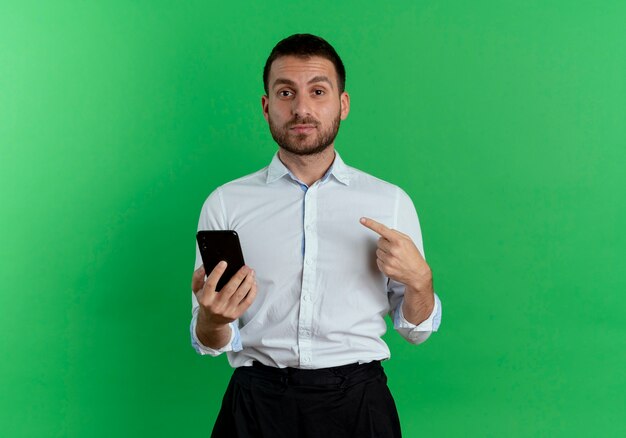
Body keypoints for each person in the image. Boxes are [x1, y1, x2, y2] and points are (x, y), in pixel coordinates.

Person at [190, 33, 442, 438]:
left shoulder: (390, 202)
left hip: (359, 406)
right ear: (266, 106)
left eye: (318, 91)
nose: (302, 108)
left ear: (342, 105)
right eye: (286, 92)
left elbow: (416, 330)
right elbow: (210, 341)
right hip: (256, 406)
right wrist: (212, 318)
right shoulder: (226, 204)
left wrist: (421, 282)